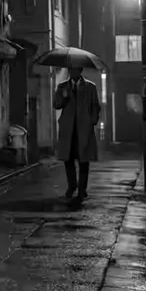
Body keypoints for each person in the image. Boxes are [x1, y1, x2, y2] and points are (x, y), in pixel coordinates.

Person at [53, 66, 101, 200]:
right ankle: (72, 185)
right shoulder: (62, 87)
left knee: (83, 161)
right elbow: (56, 105)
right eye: (71, 71)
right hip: (68, 129)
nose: (73, 73)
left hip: (84, 129)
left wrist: (92, 121)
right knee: (68, 160)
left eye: (75, 70)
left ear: (80, 71)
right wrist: (63, 97)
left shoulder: (90, 87)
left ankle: (82, 189)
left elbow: (96, 106)